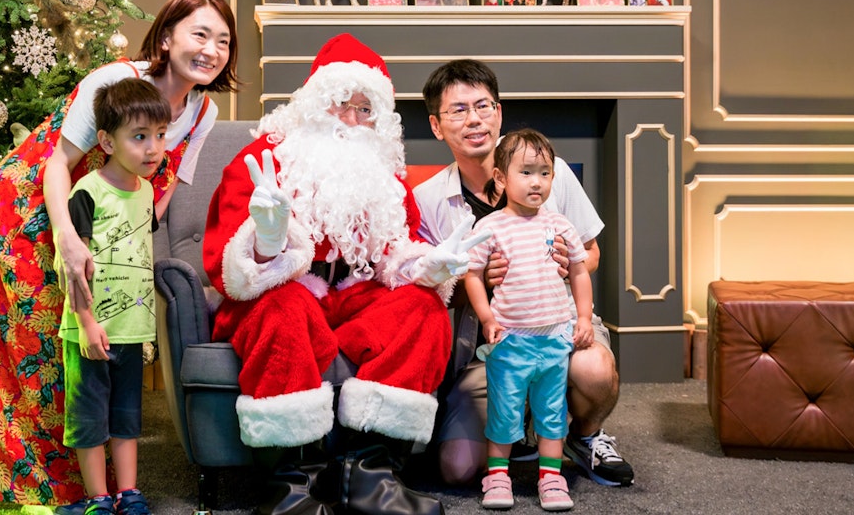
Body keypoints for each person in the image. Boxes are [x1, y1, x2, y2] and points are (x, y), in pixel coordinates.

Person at [0, 0, 239, 508]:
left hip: (100, 222)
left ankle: (92, 487)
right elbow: (58, 163)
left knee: (75, 350)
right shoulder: (114, 81)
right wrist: (67, 237)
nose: (212, 50)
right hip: (29, 209)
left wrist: (128, 241)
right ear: (166, 37)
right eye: (200, 34)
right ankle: (53, 485)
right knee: (39, 344)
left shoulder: (203, 110)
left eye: (223, 41)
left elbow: (169, 184)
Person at [202, 34, 489, 515]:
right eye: (341, 105)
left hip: (354, 293)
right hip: (284, 288)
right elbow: (227, 266)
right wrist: (267, 240)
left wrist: (424, 267)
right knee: (282, 309)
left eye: (365, 110)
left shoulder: (382, 173)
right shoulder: (266, 160)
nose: (352, 121)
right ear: (315, 104)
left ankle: (372, 477)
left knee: (423, 308)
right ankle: (291, 486)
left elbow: (394, 250)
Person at [412, 59, 634, 490]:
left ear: (499, 112)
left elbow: (591, 252)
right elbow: (427, 290)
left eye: (483, 106)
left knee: (594, 370)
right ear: (437, 126)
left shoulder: (552, 170)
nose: (474, 119)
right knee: (457, 468)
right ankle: (523, 421)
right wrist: (477, 280)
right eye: (458, 110)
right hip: (492, 346)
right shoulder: (427, 201)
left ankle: (584, 436)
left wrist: (563, 265)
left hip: (558, 327)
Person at [55, 78, 171, 515]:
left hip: (131, 330)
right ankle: (98, 499)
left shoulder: (147, 192)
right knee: (89, 420)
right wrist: (86, 324)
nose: (153, 148)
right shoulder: (87, 192)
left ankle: (129, 492)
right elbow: (74, 269)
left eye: (160, 135)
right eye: (139, 137)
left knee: (126, 418)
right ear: (107, 141)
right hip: (90, 331)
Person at [464, 129, 594, 511]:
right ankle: (497, 476)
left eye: (545, 173)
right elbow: (473, 275)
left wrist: (583, 317)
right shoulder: (490, 227)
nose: (537, 182)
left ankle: (551, 478)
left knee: (552, 413)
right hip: (510, 342)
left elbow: (579, 270)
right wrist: (487, 317)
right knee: (504, 411)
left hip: (554, 339)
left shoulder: (560, 225)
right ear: (501, 178)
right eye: (526, 172)